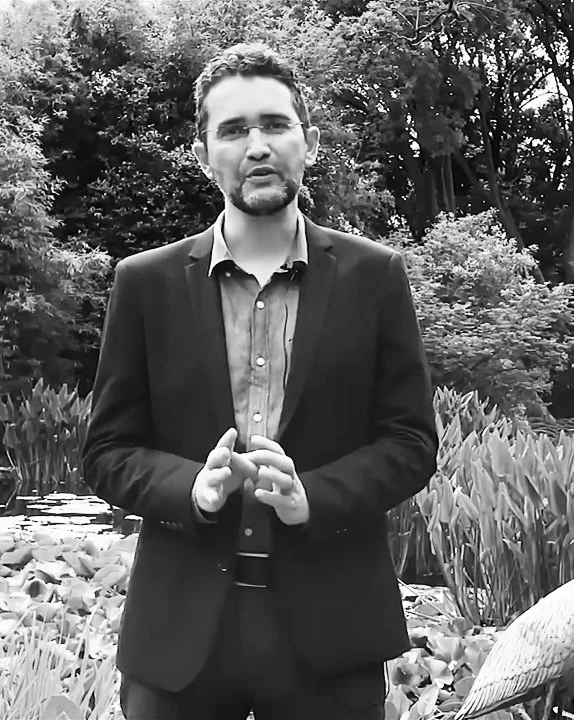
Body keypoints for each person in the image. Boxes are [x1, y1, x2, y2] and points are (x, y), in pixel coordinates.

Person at [82, 42, 438, 720]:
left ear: (309, 141)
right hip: (179, 637)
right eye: (233, 130)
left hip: (332, 632)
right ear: (202, 154)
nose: (257, 146)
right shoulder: (145, 283)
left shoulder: (375, 276)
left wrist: (313, 498)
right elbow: (107, 451)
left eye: (275, 124)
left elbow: (411, 443)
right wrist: (190, 486)